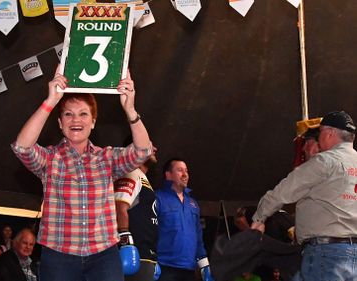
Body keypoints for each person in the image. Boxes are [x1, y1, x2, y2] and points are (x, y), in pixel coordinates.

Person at [11, 66, 152, 281]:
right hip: (58, 255)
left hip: (104, 255)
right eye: (68, 114)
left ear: (93, 122)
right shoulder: (50, 159)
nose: (76, 120)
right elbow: (22, 147)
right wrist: (50, 101)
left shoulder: (107, 158)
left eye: (83, 114)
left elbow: (143, 150)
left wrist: (130, 109)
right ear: (60, 123)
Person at [251, 111, 357, 280]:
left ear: (330, 133)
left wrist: (259, 218)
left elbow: (283, 192)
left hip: (326, 254)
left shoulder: (325, 161)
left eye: (320, 132)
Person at [156, 158, 213, 281]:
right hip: (164, 267)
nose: (185, 174)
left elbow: (198, 236)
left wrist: (204, 265)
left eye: (186, 170)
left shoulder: (193, 203)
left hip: (189, 270)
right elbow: (148, 231)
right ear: (168, 175)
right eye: (180, 170)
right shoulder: (158, 198)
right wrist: (151, 260)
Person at [114, 142, 158, 280]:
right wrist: (126, 243)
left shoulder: (141, 177)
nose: (155, 149)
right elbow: (119, 206)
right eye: (150, 145)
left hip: (144, 254)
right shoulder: (132, 172)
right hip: (133, 253)